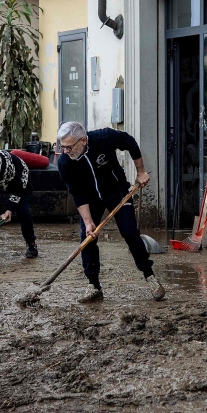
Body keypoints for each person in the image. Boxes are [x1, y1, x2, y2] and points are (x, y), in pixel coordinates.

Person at [56, 121, 165, 303]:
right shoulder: (65, 163)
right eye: (62, 146)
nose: (65, 151)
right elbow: (77, 192)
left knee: (129, 232)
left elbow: (129, 142)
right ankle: (93, 285)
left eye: (68, 147)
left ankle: (150, 276)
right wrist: (89, 221)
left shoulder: (104, 137)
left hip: (117, 192)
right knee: (87, 237)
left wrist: (141, 172)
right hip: (90, 200)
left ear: (83, 140)